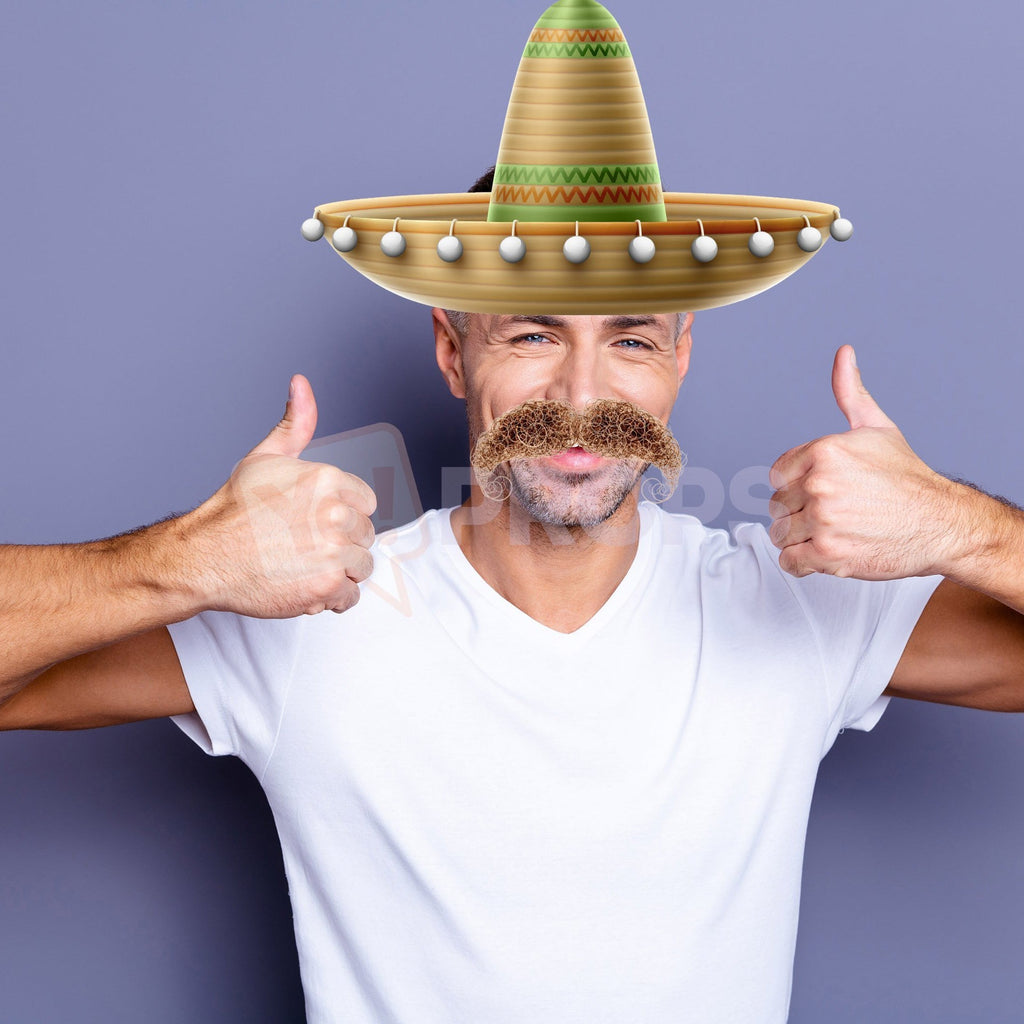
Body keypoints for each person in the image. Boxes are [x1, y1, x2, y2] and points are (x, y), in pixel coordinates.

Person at [3, 1, 1024, 1021]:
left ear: (679, 358)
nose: (579, 397)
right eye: (532, 334)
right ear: (452, 352)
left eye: (628, 341)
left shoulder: (792, 608)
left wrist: (953, 526)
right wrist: (189, 560)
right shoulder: (309, 609)